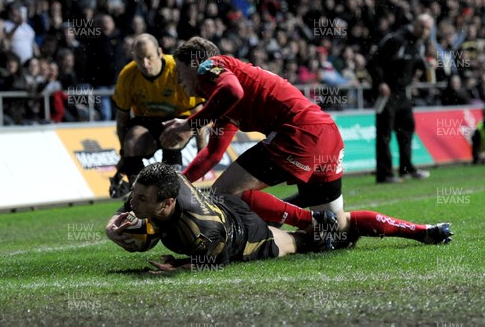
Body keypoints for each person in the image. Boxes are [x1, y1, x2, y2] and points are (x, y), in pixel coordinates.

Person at [159, 36, 452, 249]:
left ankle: (307, 221)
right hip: (325, 133)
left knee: (223, 192)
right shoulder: (222, 103)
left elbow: (232, 91)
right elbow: (211, 155)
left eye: (179, 72)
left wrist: (188, 124)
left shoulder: (210, 65)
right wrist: (176, 185)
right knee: (338, 224)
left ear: (193, 63)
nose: (179, 82)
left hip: (299, 133)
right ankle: (422, 231)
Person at [105, 163, 333, 271]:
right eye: (135, 194)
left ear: (167, 203)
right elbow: (136, 195)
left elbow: (216, 262)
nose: (133, 202)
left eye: (142, 199)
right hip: (223, 205)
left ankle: (331, 229)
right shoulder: (164, 179)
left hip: (242, 235)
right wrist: (111, 226)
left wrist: (177, 267)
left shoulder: (202, 229)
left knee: (296, 243)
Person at [108, 34, 206, 198]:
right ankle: (138, 196)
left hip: (179, 117)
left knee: (172, 135)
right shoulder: (127, 76)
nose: (145, 64)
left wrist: (202, 151)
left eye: (149, 57)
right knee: (131, 142)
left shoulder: (177, 69)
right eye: (139, 59)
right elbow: (122, 120)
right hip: (146, 119)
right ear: (133, 57)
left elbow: (198, 113)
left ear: (159, 53)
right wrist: (124, 154)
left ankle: (173, 191)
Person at [368, 14, 434, 183]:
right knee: (384, 135)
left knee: (407, 129)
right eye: (423, 27)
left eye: (428, 29)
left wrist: (427, 64)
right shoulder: (396, 39)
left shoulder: (418, 43)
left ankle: (406, 169)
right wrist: (380, 82)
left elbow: (412, 63)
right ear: (416, 25)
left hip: (403, 93)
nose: (426, 31)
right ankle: (384, 174)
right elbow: (373, 61)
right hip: (387, 93)